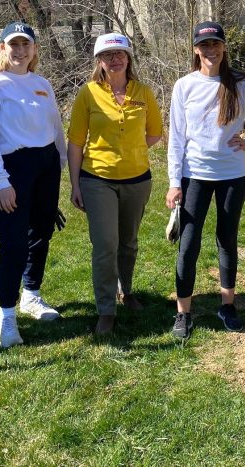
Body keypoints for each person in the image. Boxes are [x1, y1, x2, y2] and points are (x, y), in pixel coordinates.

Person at [166, 21, 245, 339]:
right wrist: (174, 182)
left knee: (226, 240)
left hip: (233, 176)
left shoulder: (242, 83)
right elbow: (176, 138)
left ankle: (227, 305)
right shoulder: (184, 86)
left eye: (216, 44)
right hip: (195, 176)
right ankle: (183, 313)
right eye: (205, 45)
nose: (211, 51)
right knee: (188, 245)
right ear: (195, 49)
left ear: (223, 48)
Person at [0, 22, 67, 348]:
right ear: (2, 47)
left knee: (42, 232)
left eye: (26, 44)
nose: (20, 51)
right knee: (13, 243)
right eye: (14, 45)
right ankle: (7, 316)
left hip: (46, 166)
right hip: (12, 169)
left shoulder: (41, 84)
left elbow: (56, 128)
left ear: (35, 49)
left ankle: (31, 295)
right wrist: (0, 181)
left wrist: (59, 168)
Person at [67, 33, 163, 336]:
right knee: (105, 246)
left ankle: (126, 291)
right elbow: (75, 143)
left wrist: (130, 150)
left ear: (129, 58)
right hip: (97, 180)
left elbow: (154, 133)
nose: (115, 59)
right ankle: (105, 310)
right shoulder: (88, 94)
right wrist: (75, 184)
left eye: (120, 53)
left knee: (128, 242)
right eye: (108, 55)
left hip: (137, 180)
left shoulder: (143, 92)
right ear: (99, 61)